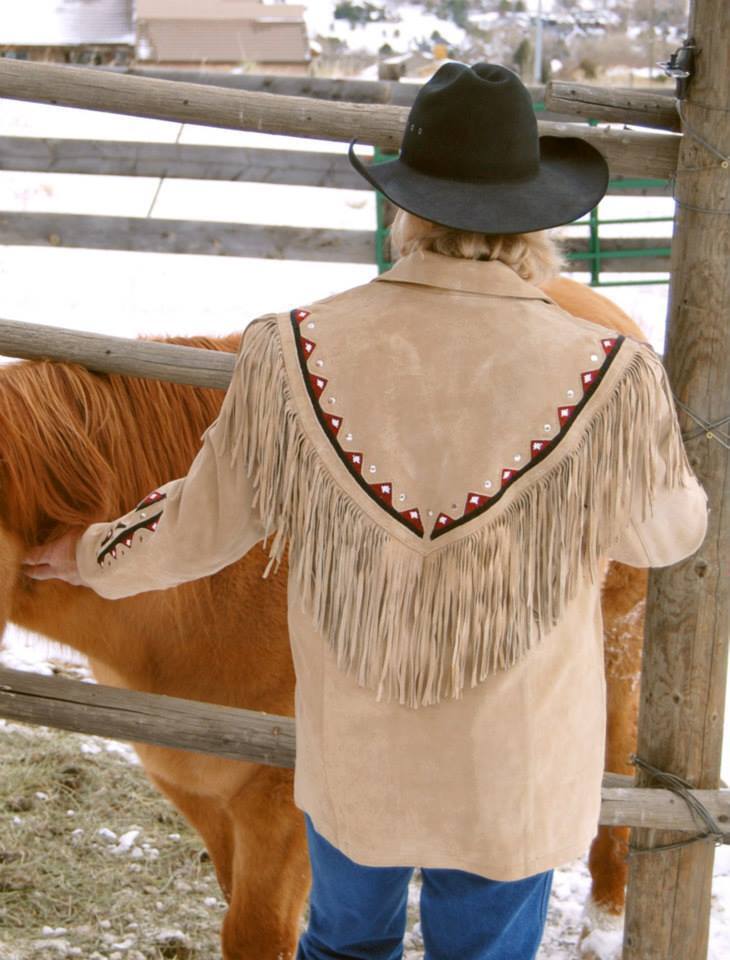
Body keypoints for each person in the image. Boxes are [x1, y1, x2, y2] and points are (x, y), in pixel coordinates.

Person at [24, 62, 707, 960]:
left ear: (407, 213)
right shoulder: (608, 372)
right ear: (536, 224)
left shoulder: (292, 350)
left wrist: (91, 554)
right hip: (517, 767)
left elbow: (201, 523)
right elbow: (666, 532)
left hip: (357, 760)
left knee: (346, 945)